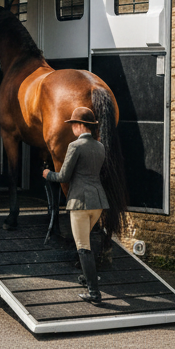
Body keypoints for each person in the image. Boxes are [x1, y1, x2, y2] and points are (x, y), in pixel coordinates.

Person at [42, 106, 109, 305]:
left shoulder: (75, 146)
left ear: (80, 126)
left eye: (73, 125)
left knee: (82, 246)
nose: (72, 129)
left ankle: (94, 293)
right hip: (98, 201)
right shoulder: (100, 146)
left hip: (80, 201)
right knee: (86, 241)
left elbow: (64, 176)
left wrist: (48, 175)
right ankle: (89, 277)